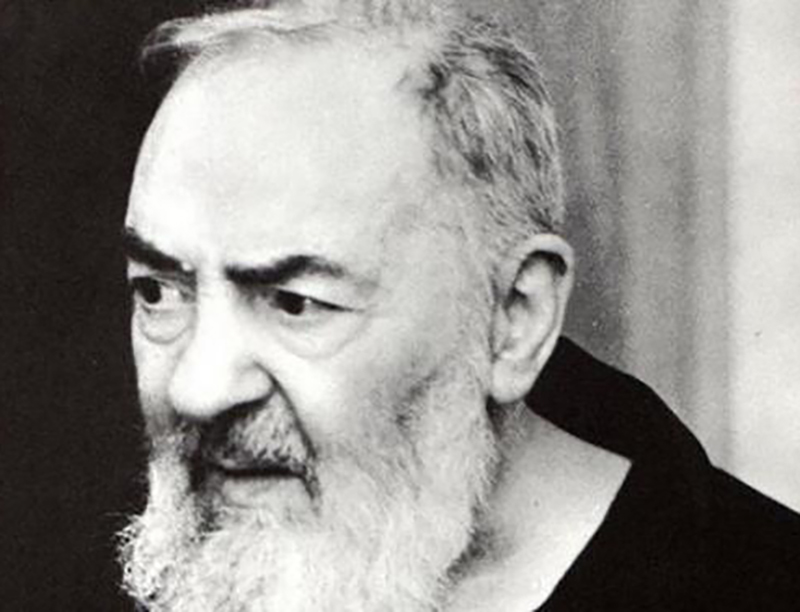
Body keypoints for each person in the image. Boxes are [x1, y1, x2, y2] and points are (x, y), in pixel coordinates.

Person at [119, 1, 800, 610]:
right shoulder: (222, 566)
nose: (196, 389)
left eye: (297, 303)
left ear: (515, 317)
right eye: (158, 292)